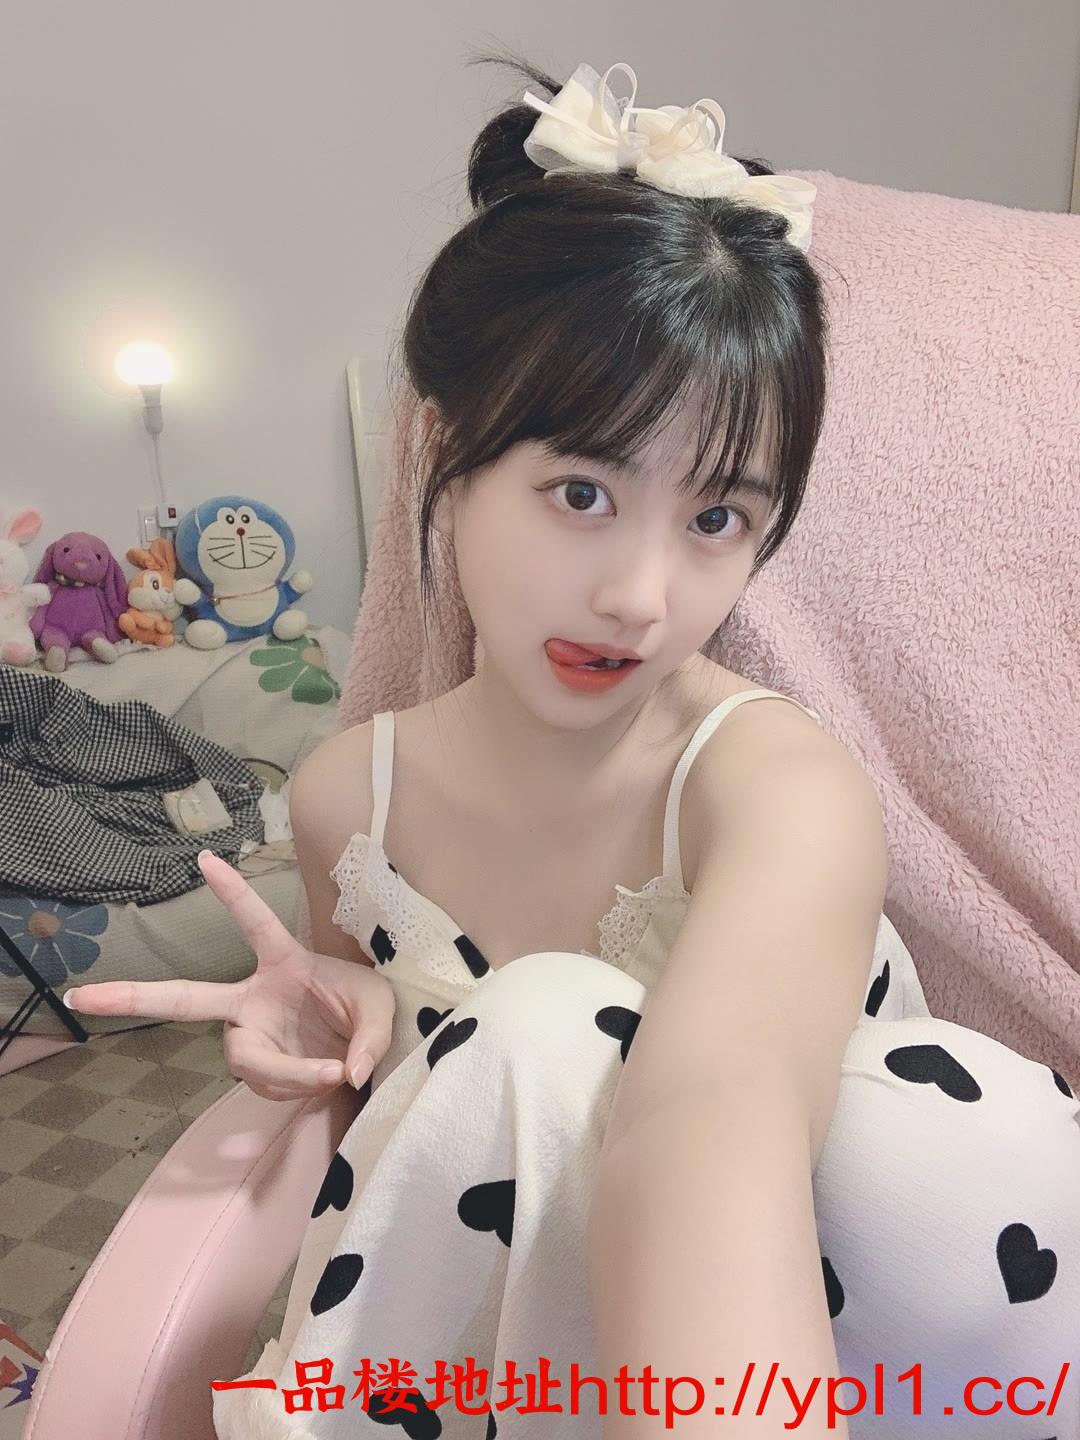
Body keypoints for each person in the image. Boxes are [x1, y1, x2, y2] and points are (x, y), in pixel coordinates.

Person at [65, 51, 1079, 1440]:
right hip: (518, 1381)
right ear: (441, 451)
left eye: (717, 519)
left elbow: (709, 1130)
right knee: (522, 1040)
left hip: (865, 1356)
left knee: (598, 1039)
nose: (641, 597)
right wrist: (341, 1037)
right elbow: (418, 1148)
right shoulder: (350, 801)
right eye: (583, 492)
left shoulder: (773, 786)